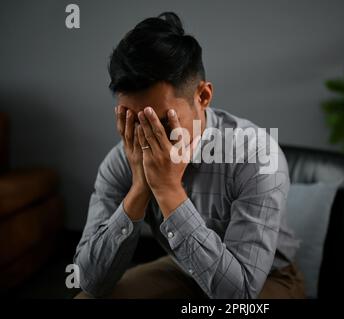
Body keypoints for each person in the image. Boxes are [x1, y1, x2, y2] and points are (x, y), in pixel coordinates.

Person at [74, 12, 304, 299]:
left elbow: (240, 295)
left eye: (163, 122)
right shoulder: (123, 159)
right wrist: (139, 189)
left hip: (269, 278)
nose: (148, 138)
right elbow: (87, 281)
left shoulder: (255, 155)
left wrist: (168, 190)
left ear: (203, 97)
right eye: (135, 122)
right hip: (183, 268)